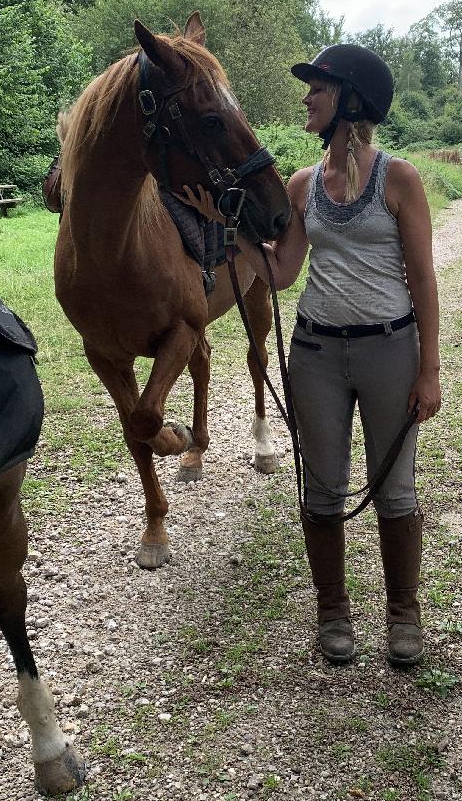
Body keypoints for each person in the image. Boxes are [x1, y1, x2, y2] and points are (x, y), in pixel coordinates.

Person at [179, 44, 441, 667]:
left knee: (394, 488)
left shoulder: (398, 179)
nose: (307, 97)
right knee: (322, 489)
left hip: (389, 348)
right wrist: (226, 226)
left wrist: (429, 368)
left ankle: (403, 617)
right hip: (318, 351)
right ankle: (333, 614)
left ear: (350, 100)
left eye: (318, 88)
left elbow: (423, 278)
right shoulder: (302, 186)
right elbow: (283, 270)